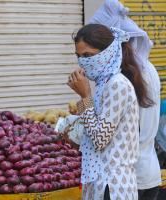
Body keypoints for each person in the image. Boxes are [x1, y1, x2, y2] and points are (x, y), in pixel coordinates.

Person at [68, 24, 153, 199]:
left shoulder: (117, 85)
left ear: (107, 53)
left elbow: (100, 139)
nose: (82, 62)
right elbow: (98, 137)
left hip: (113, 187)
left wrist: (85, 96)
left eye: (88, 56)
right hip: (101, 183)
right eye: (79, 56)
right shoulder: (103, 84)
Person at [89, 1, 162, 199]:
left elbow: (102, 137)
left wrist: (85, 101)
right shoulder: (148, 68)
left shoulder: (120, 79)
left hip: (125, 180)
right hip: (149, 173)